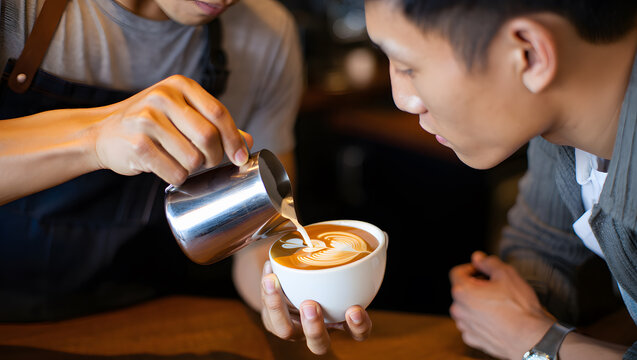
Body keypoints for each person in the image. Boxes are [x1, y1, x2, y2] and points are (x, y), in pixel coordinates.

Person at [261, 0, 637, 358]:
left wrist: (539, 344)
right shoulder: (560, 135)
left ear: (531, 55)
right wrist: (506, 314)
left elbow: (530, 335)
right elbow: (539, 243)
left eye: (408, 66)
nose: (403, 99)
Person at [0, 0, 304, 321]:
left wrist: (283, 297)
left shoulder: (267, 34)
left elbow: (261, 234)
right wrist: (94, 139)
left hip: (150, 310)